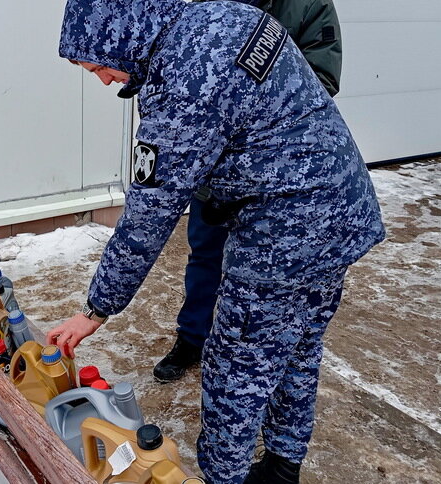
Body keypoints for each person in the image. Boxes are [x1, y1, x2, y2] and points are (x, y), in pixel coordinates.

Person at [47, 0, 385, 482]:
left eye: (99, 66)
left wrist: (96, 308)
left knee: (235, 369)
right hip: (342, 206)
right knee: (299, 341)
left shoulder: (186, 80)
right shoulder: (222, 15)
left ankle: (224, 478)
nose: (104, 81)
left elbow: (149, 213)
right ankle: (283, 466)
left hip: (286, 231)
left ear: (122, 34)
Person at [158, 0, 344, 386]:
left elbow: (322, 81)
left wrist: (244, 106)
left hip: (276, 178)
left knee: (269, 274)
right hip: (215, 170)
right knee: (205, 254)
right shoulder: (213, 5)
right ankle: (192, 338)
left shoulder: (310, 6)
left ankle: (259, 356)